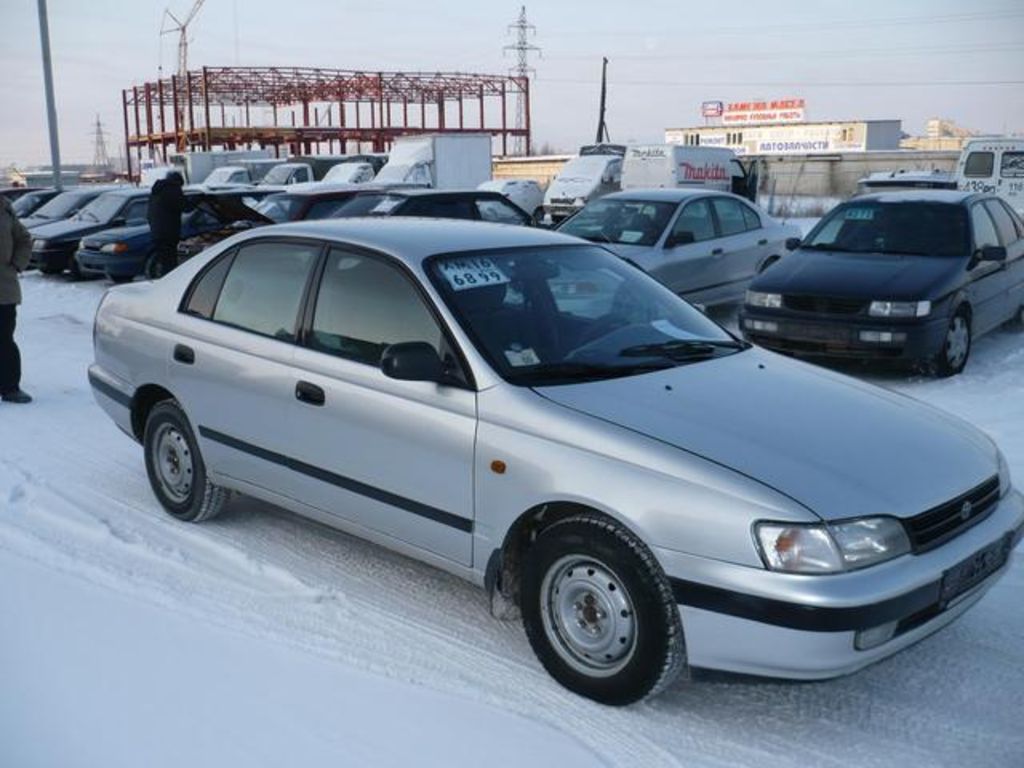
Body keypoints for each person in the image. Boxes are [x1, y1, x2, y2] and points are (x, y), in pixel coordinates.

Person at [0, 194, 32, 403]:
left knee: (4, 339)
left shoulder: (4, 209)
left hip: (3, 288)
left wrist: (17, 264)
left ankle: (10, 387)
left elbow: (23, 240)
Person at [147, 171, 188, 277]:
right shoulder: (173, 190)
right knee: (170, 262)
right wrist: (199, 198)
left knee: (164, 260)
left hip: (156, 231)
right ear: (178, 182)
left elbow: (149, 214)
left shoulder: (156, 192)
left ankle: (164, 280)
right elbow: (186, 207)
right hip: (168, 233)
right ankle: (169, 282)